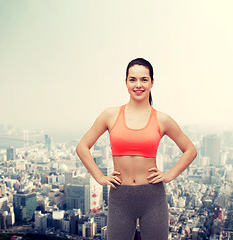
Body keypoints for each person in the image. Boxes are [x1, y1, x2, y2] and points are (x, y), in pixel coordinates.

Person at [76, 58, 197, 240]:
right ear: (126, 82)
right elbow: (82, 147)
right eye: (132, 79)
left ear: (152, 82)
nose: (138, 85)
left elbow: (190, 150)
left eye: (144, 79)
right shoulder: (111, 115)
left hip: (153, 197)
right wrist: (100, 178)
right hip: (120, 198)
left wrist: (169, 175)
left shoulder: (162, 119)